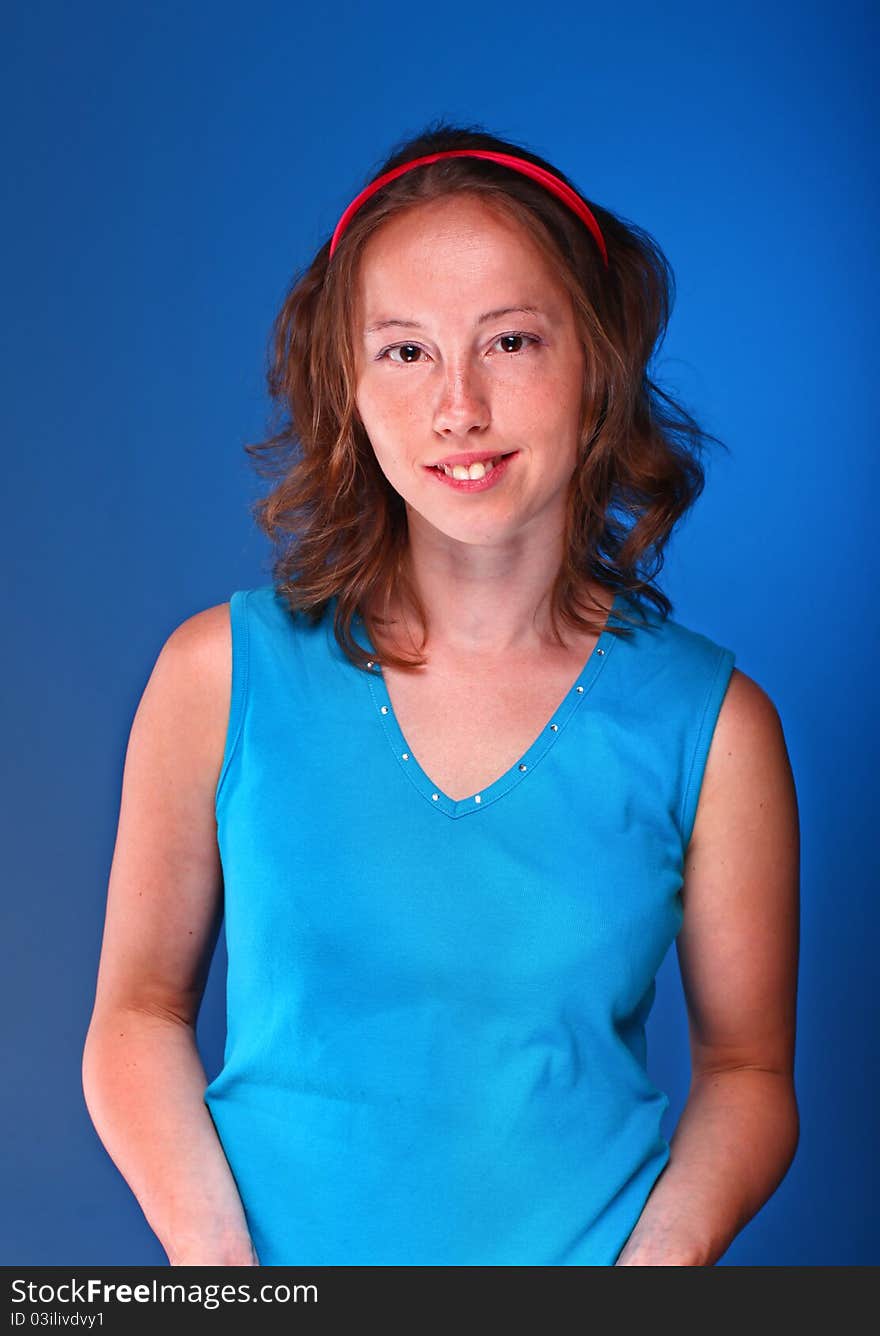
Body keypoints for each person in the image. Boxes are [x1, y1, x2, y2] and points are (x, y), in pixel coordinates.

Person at [81, 121, 800, 1267]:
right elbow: (135, 1018)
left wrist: (650, 1275)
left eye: (508, 341)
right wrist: (219, 1274)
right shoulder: (215, 676)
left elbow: (748, 1072)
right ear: (347, 383)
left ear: (596, 362)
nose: (456, 406)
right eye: (405, 352)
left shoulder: (714, 728)